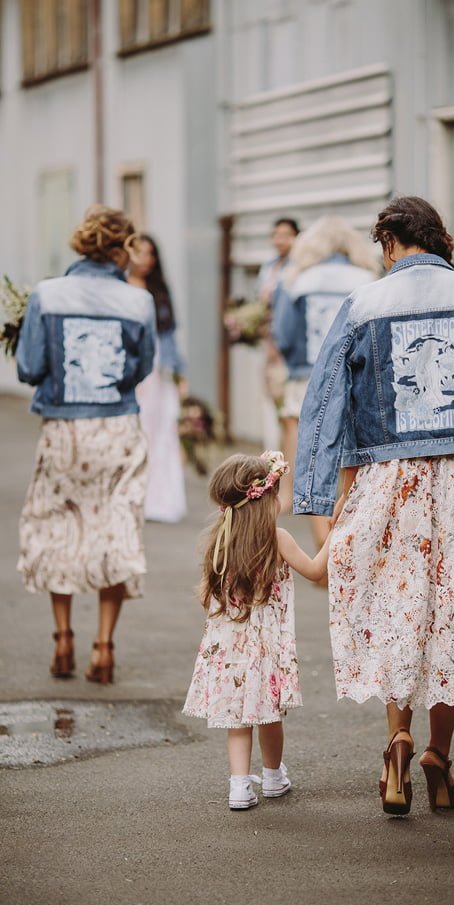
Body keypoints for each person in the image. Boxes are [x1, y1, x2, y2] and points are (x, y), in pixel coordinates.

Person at [293, 196, 454, 815]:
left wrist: (317, 494)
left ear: (389, 242)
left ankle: (397, 744)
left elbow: (324, 401)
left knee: (399, 607)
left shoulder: (363, 304)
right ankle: (438, 755)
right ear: (440, 241)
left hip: (393, 481)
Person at [16, 205, 156, 685]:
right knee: (114, 529)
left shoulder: (47, 294)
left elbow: (29, 368)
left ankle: (62, 640)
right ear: (124, 248)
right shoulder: (138, 301)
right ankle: (104, 646)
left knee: (58, 526)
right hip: (117, 429)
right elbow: (142, 367)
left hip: (65, 431)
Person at [183, 451, 331, 810]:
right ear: (266, 499)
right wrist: (335, 533)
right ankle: (273, 776)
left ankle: (238, 787)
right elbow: (315, 571)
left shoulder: (220, 539)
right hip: (265, 649)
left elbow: (205, 596)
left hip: (228, 649)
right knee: (268, 715)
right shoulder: (277, 538)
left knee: (238, 719)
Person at [272, 216, 379, 545]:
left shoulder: (296, 280)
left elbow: (283, 334)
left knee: (314, 456)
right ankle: (349, 537)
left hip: (308, 374)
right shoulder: (368, 281)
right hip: (357, 376)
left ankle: (324, 542)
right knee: (352, 456)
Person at [128, 234, 187, 523]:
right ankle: (132, 496)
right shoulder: (119, 288)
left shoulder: (159, 290)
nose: (145, 259)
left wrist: (179, 373)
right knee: (135, 431)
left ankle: (158, 499)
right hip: (132, 366)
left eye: (150, 253)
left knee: (162, 431)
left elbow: (168, 334)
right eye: (140, 252)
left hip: (158, 368)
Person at [257, 218, 300, 449]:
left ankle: (286, 452)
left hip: (287, 347)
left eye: (285, 235)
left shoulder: (298, 267)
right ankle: (273, 450)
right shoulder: (269, 266)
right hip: (269, 342)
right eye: (276, 235)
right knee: (270, 397)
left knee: (287, 405)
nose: (279, 240)